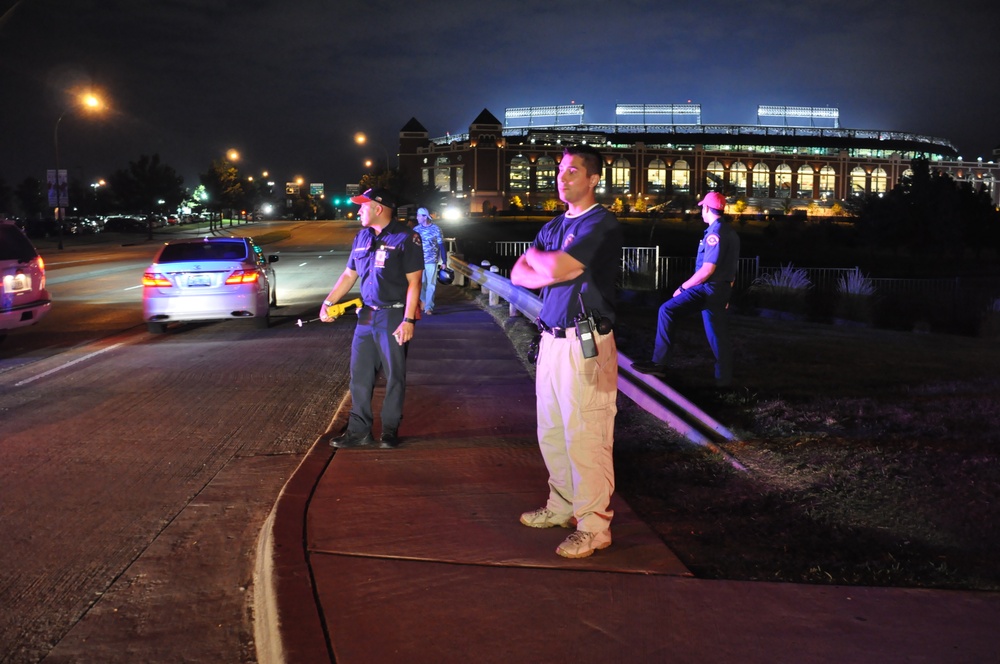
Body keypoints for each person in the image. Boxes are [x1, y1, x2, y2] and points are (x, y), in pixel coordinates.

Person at [511, 144, 622, 559]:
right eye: (561, 170)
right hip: (551, 342)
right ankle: (561, 507)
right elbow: (519, 274)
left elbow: (557, 270)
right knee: (553, 433)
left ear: (593, 179)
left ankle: (594, 527)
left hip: (587, 345)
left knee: (588, 438)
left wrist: (545, 263)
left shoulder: (603, 224)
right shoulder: (556, 226)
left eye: (573, 170)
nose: (563, 177)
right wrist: (547, 261)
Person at [320, 188, 424, 449]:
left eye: (362, 206)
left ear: (378, 208)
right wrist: (328, 302)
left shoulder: (407, 238)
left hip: (393, 315)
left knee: (394, 376)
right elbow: (348, 275)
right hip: (366, 316)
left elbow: (415, 283)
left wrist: (408, 320)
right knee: (360, 376)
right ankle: (359, 431)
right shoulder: (361, 237)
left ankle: (389, 430)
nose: (358, 211)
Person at [631, 190, 740, 387]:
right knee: (717, 335)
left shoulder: (714, 234)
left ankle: (659, 363)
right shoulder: (731, 233)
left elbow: (707, 270)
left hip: (707, 289)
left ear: (707, 208)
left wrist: (683, 287)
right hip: (721, 290)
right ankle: (723, 381)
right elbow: (731, 269)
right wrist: (726, 295)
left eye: (702, 209)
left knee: (667, 310)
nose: (701, 212)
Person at [413, 207, 446, 315]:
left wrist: (444, 261)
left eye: (419, 215)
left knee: (431, 284)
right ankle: (424, 300)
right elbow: (412, 247)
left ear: (425, 216)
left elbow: (441, 246)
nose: (417, 217)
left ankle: (429, 307)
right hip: (419, 261)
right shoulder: (416, 230)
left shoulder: (436, 229)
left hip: (432, 261)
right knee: (421, 283)